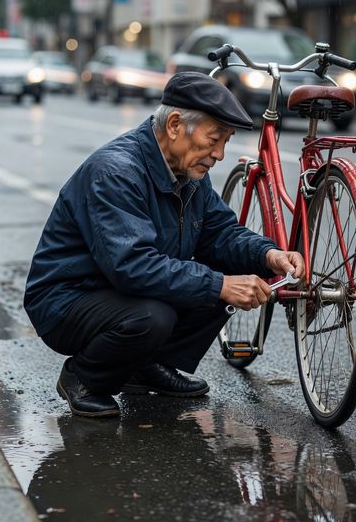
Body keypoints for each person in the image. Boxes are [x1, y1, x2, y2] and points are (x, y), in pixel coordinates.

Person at [24, 71, 305, 418]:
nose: (218, 154)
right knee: (157, 314)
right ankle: (83, 377)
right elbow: (133, 267)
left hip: (119, 291)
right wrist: (219, 285)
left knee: (235, 270)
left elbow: (221, 233)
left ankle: (145, 367)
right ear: (174, 124)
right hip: (67, 300)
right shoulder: (116, 172)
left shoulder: (188, 172)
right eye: (214, 138)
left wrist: (269, 254)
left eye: (226, 142)